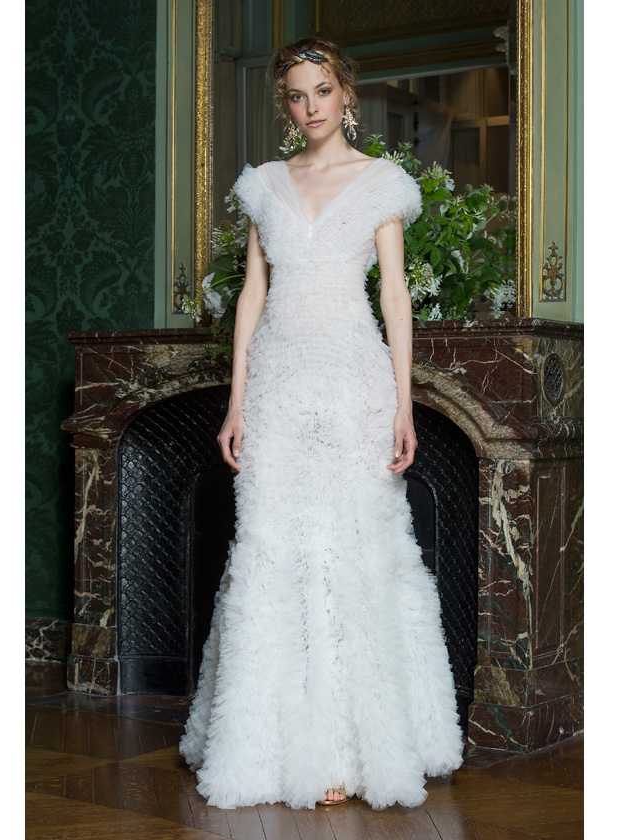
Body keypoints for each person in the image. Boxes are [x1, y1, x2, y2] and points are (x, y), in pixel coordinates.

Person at [179, 36, 464, 811]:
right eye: (296, 96)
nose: (310, 108)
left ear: (347, 94)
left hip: (352, 384)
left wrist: (403, 403)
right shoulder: (265, 185)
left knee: (354, 551)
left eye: (322, 92)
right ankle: (266, 748)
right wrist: (237, 401)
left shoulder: (382, 184)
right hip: (277, 381)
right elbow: (252, 295)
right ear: (287, 104)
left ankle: (348, 749)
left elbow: (395, 298)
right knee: (273, 551)